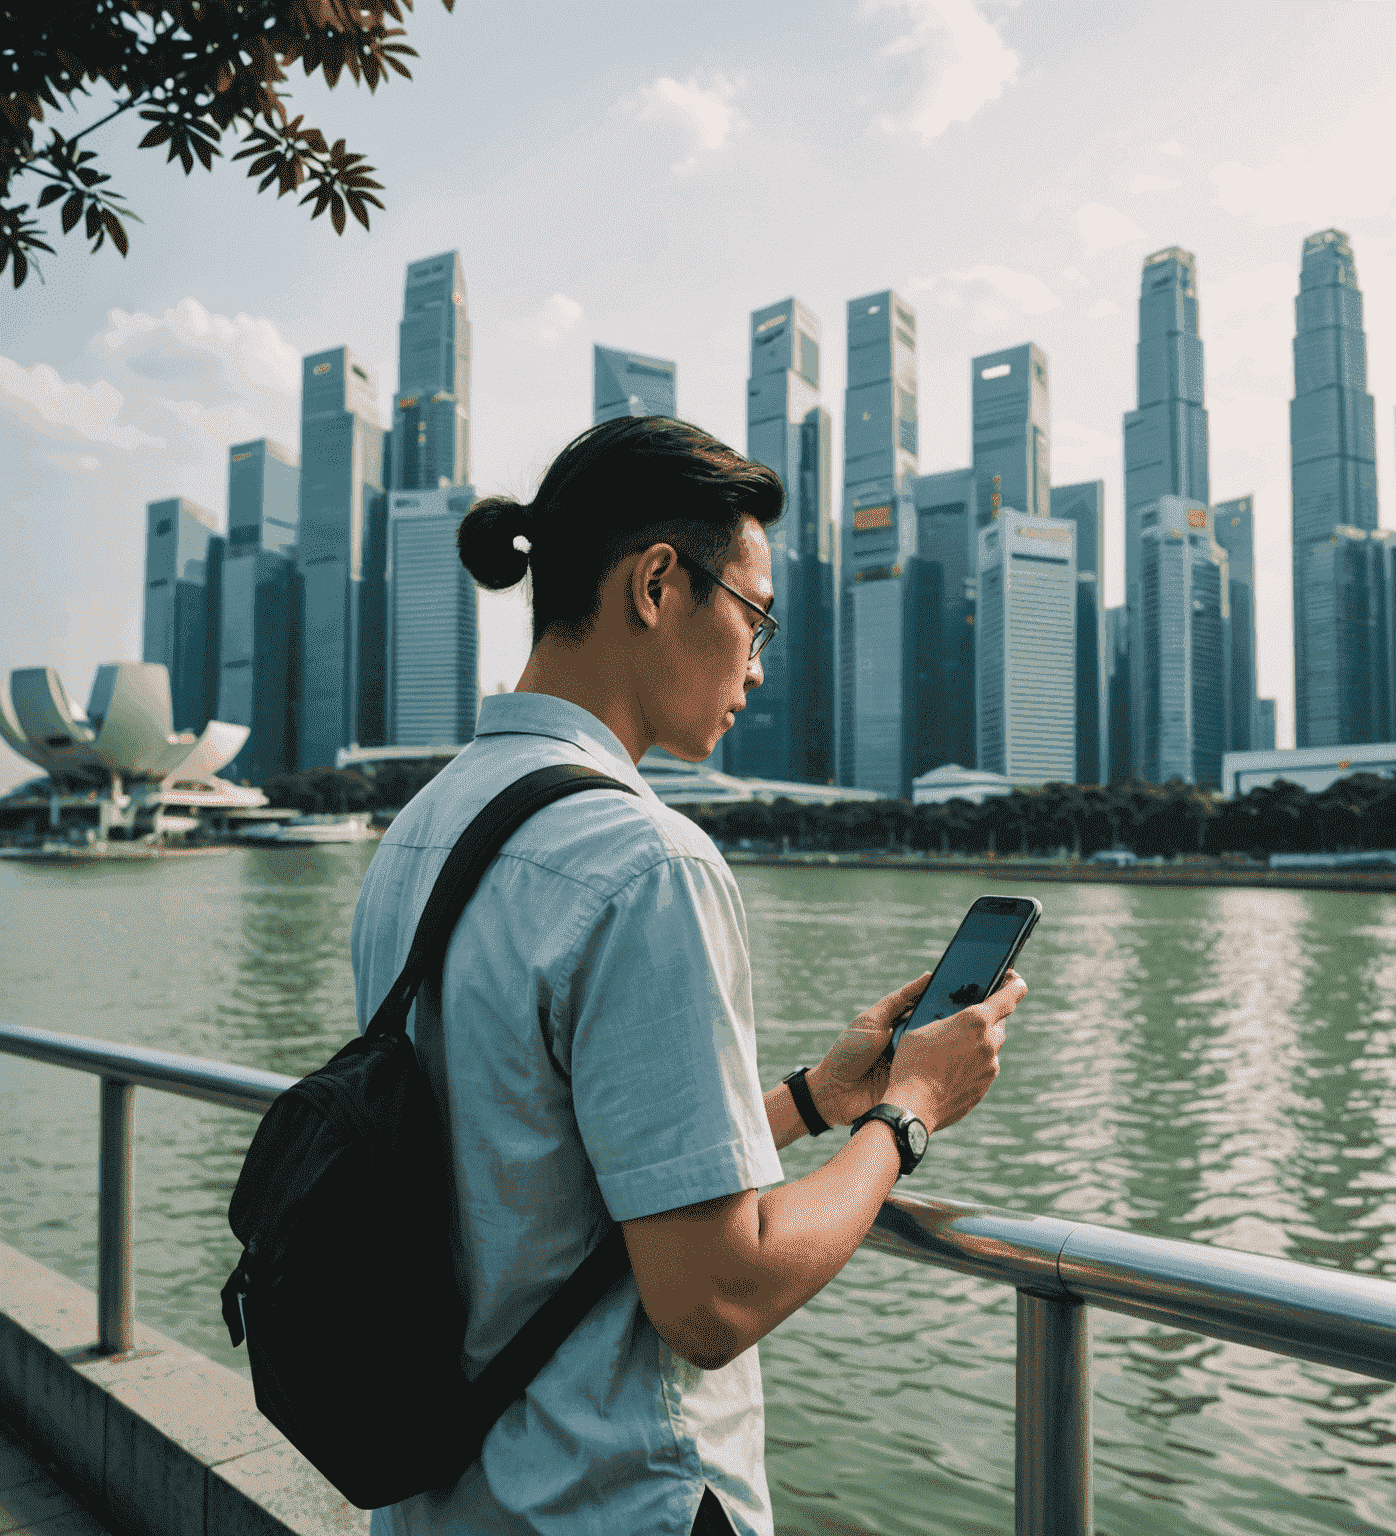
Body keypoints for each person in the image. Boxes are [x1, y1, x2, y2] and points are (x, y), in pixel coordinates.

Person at [350, 416, 1024, 1536]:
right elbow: (715, 1294)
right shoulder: (648, 864)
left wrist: (815, 1101)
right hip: (613, 1499)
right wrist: (910, 1112)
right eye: (756, 620)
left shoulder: (421, 830)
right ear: (659, 584)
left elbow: (533, 1166)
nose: (758, 671)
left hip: (445, 1499)